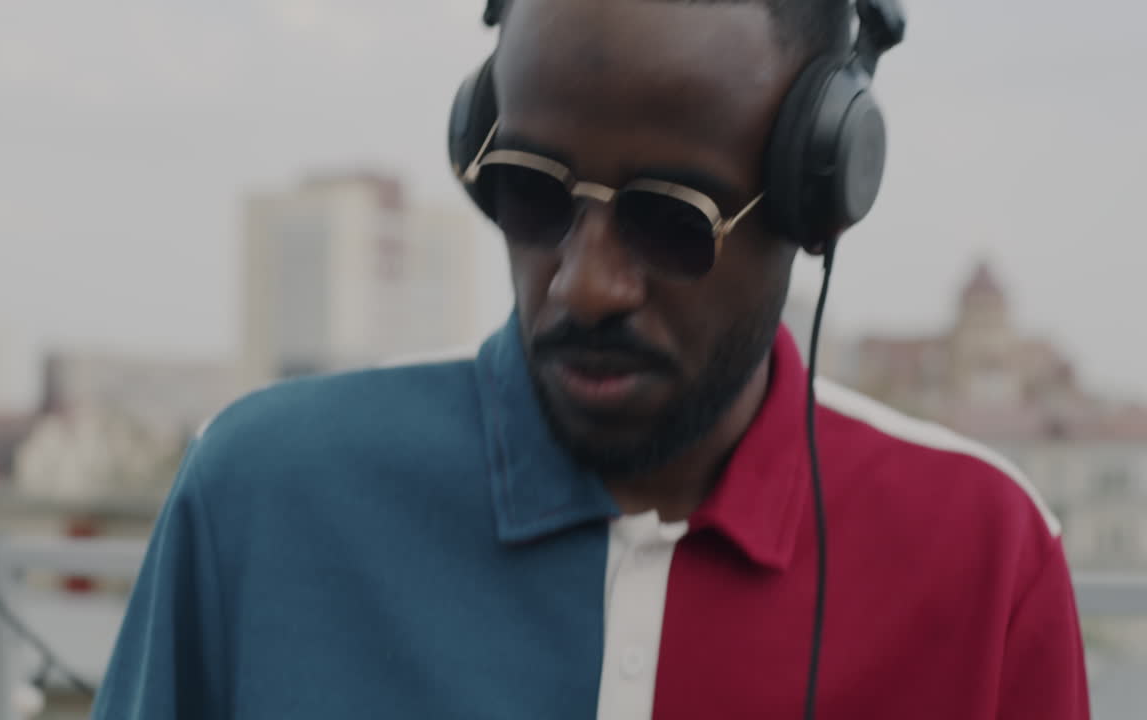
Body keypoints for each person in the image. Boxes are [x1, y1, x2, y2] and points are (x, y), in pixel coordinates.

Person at [93, 0, 1091, 718]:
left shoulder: (983, 559)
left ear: (815, 201)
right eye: (528, 196)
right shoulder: (264, 496)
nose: (582, 285)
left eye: (668, 220)